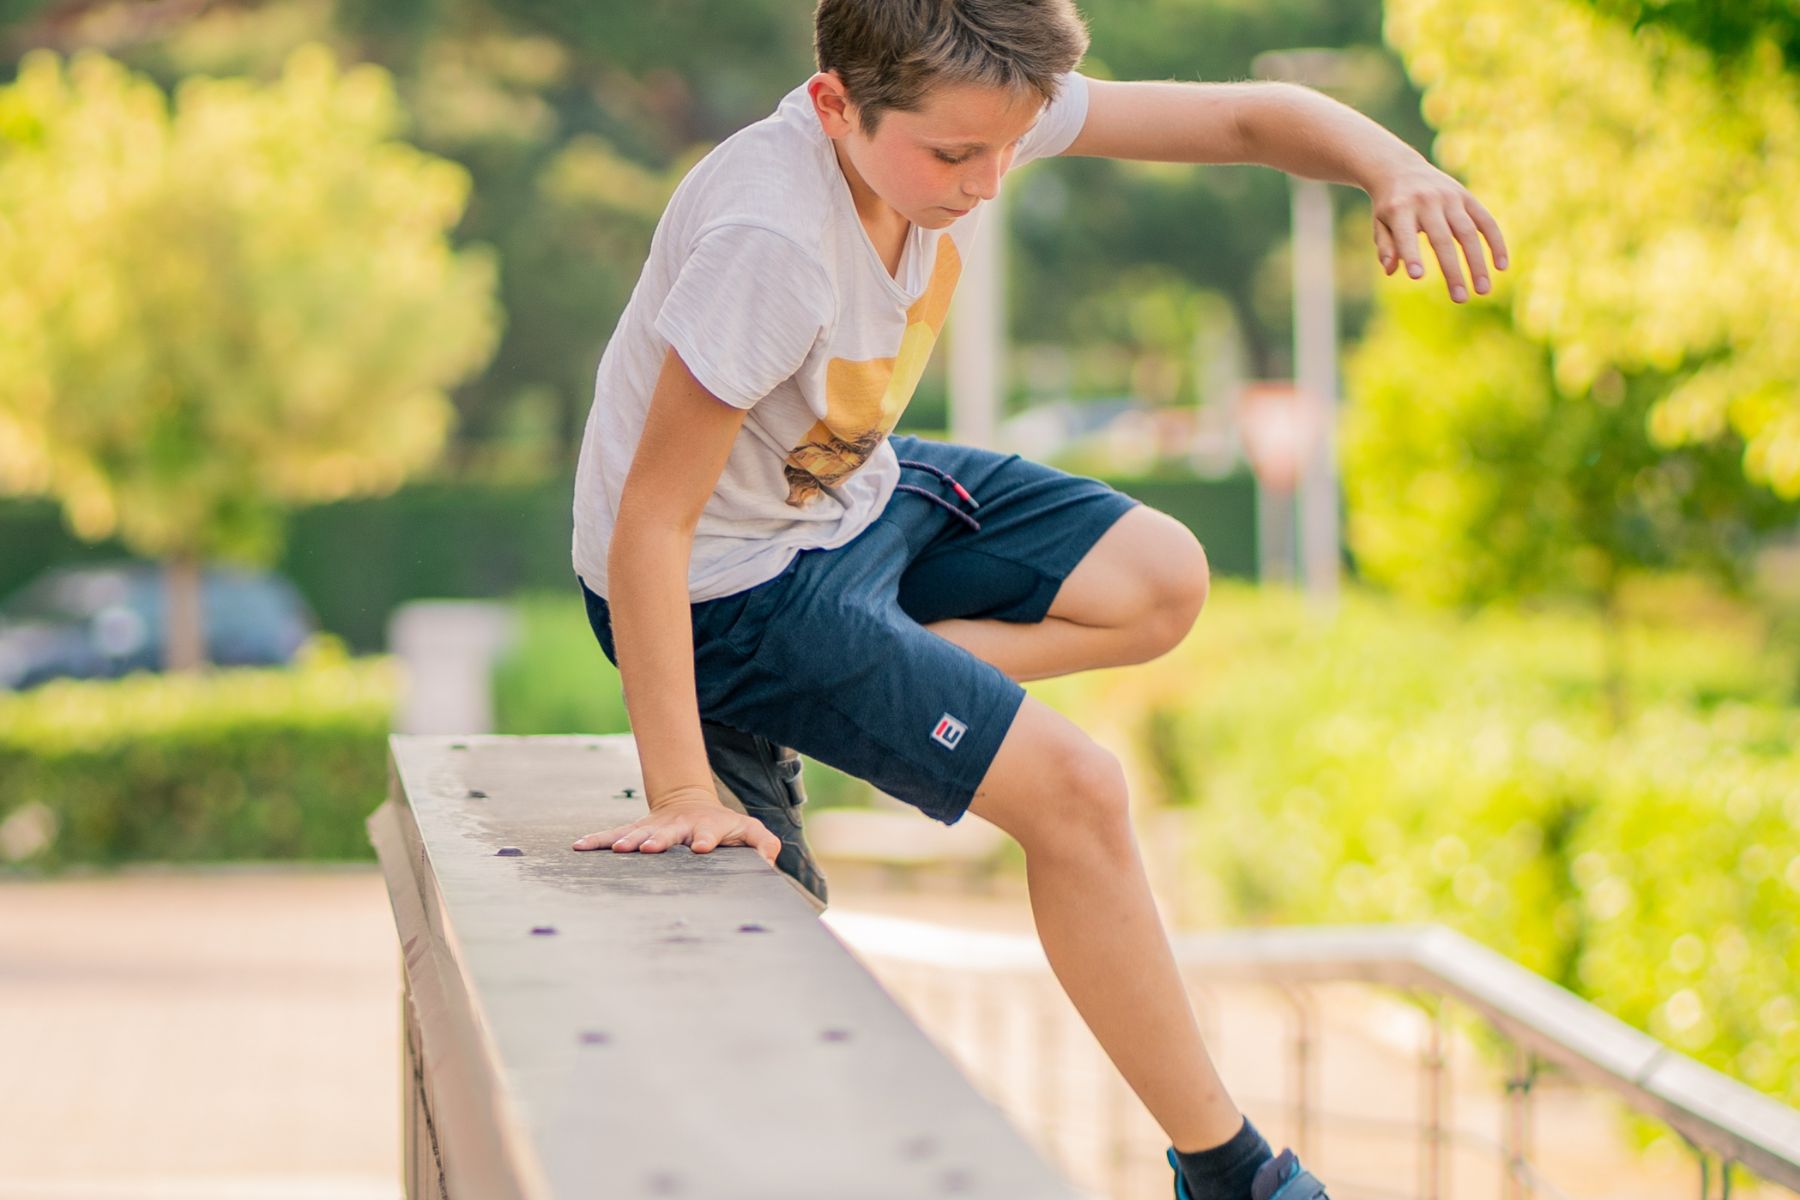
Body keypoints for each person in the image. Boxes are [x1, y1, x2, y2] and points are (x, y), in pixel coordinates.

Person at [569, 2, 1506, 1197]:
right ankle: (1230, 1171)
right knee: (1079, 793)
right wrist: (683, 793)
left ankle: (842, 683)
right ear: (835, 104)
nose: (987, 182)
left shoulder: (972, 100)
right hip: (727, 590)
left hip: (849, 497)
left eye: (1009, 147)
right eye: (956, 157)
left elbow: (1246, 118)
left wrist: (1395, 166)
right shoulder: (771, 238)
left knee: (1160, 581)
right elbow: (649, 526)